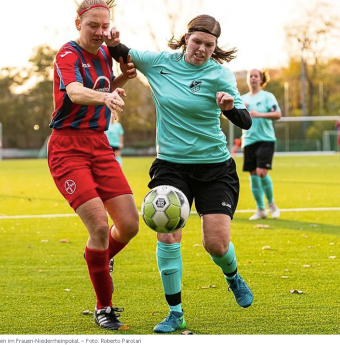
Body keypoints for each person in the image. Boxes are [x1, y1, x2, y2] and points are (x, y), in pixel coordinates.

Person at [105, 14, 253, 333]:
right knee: (167, 232)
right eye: (197, 41)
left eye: (209, 45)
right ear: (186, 38)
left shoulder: (220, 75)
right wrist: (113, 41)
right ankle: (176, 313)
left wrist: (228, 108)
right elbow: (125, 54)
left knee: (215, 243)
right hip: (171, 165)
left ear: (215, 48)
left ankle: (233, 277)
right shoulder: (160, 62)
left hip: (215, 168)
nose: (201, 49)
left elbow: (245, 121)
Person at [47, 0, 139, 330]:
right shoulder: (67, 54)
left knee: (128, 224)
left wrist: (122, 81)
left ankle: (101, 257)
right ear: (78, 24)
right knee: (99, 227)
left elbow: (107, 89)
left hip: (99, 145)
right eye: (93, 26)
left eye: (104, 26)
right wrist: (106, 97)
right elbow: (74, 92)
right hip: (67, 149)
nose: (99, 32)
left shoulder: (104, 53)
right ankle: (105, 307)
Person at [240, 69, 282, 220]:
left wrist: (259, 114)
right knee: (253, 175)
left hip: (266, 139)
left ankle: (272, 204)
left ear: (261, 79)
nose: (252, 78)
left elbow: (277, 114)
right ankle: (260, 209)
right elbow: (229, 115)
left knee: (262, 172)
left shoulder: (267, 97)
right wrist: (240, 110)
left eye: (255, 76)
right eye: (250, 76)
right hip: (249, 140)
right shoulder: (242, 98)